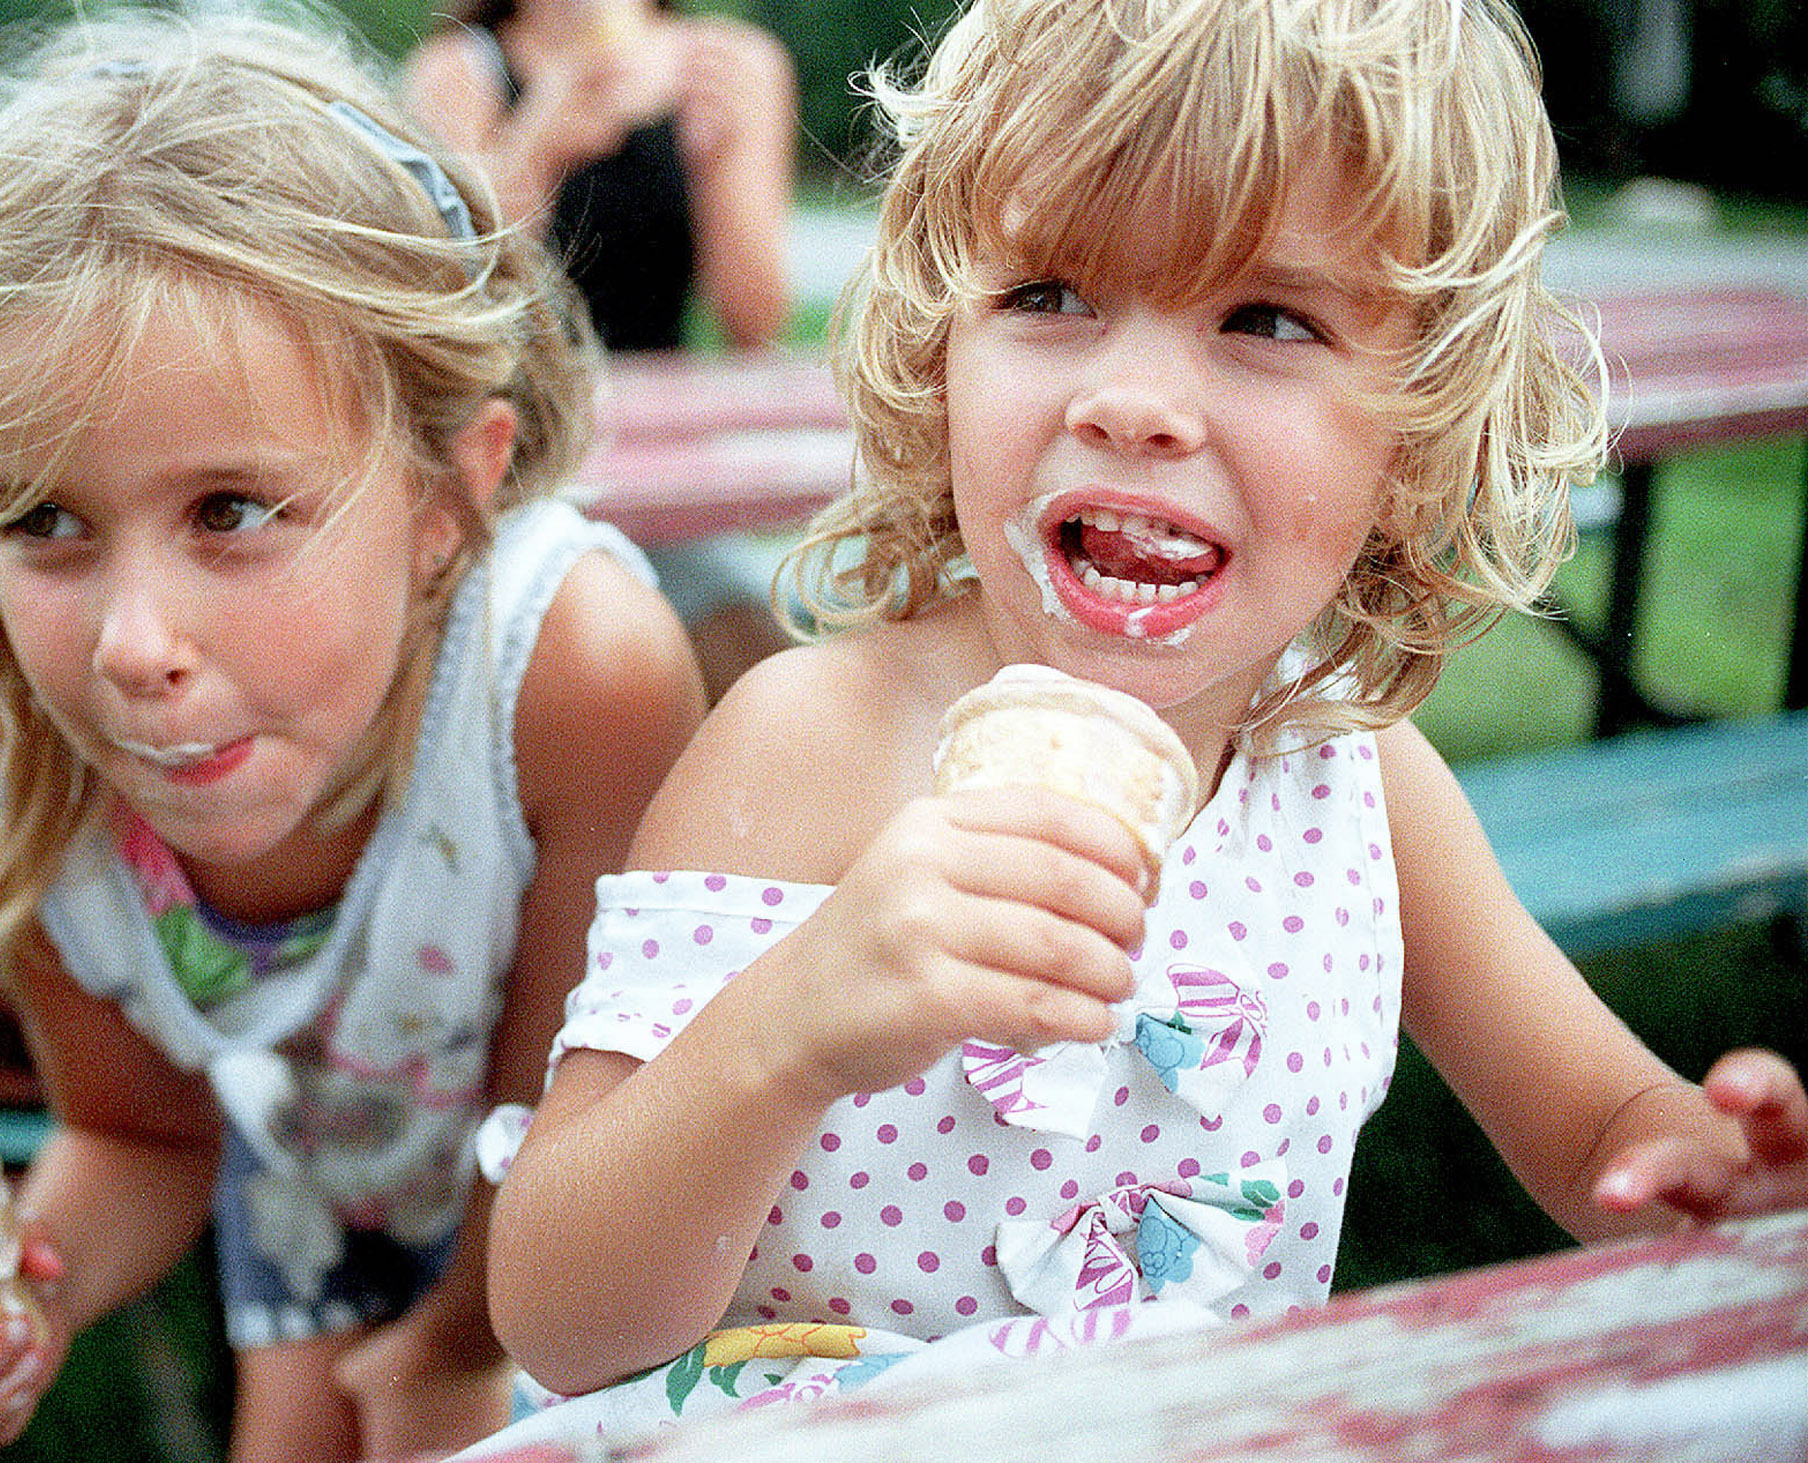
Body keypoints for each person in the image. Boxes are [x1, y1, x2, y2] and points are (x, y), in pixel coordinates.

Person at [468, 0, 1808, 1451]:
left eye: (1267, 319)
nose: (1134, 400)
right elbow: (555, 1303)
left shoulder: (1361, 791)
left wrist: (1709, 1163)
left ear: (1417, 432)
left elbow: (1599, 1119)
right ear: (939, 350)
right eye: (1050, 293)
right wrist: (787, 1033)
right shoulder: (809, 742)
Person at [0, 4, 706, 1460]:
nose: (132, 649)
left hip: (594, 1213)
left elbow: (587, 1128)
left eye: (231, 512)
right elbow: (142, 1133)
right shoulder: (20, 747)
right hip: (317, 1183)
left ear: (449, 495)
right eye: (46, 521)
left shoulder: (572, 675)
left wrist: (447, 1346)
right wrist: (16, 1297)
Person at [402, 0, 802, 703]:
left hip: (665, 483)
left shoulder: (730, 63)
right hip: (511, 476)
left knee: (763, 668)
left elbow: (755, 321)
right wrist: (535, 147)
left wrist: (717, 163)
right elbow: (438, 305)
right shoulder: (458, 70)